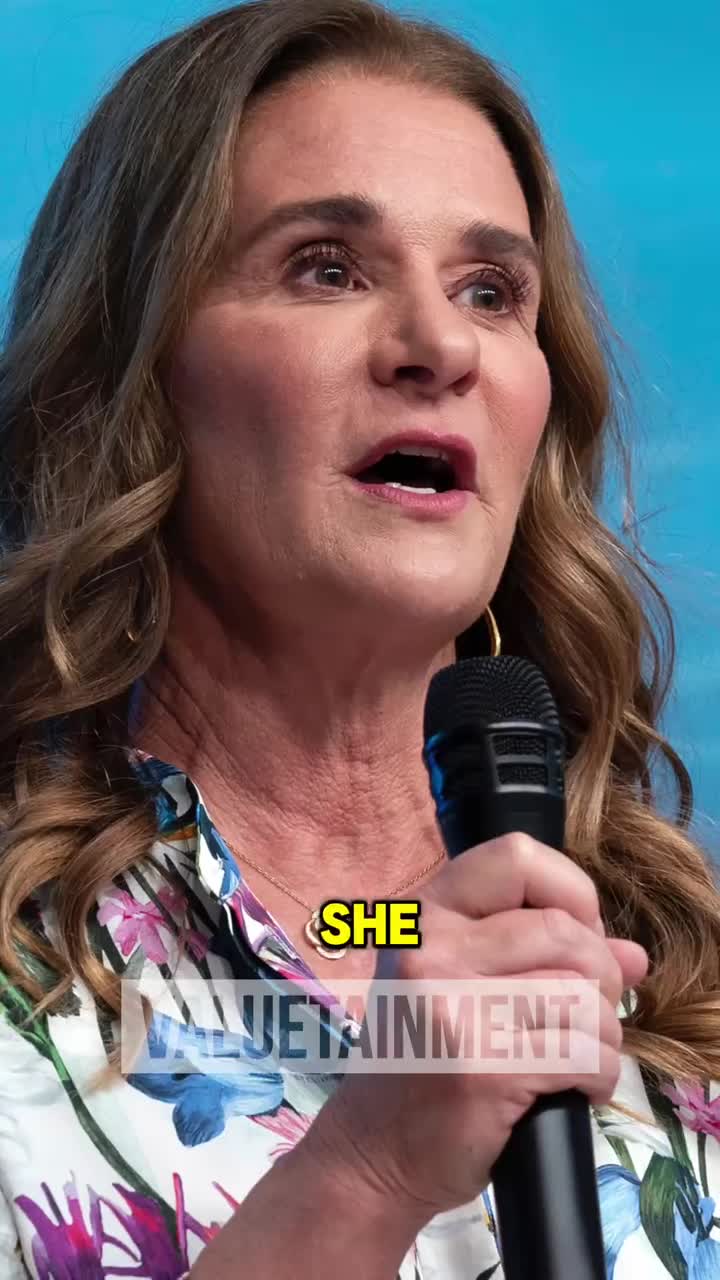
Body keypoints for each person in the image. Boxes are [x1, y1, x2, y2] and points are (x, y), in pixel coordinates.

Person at [0, 0, 719, 1275]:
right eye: (327, 267)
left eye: (492, 292)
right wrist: (370, 1168)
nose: (440, 345)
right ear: (131, 375)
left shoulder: (681, 985)